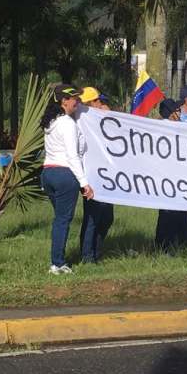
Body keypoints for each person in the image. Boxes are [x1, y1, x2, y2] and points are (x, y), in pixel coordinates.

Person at [40, 84, 93, 274]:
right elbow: (72, 156)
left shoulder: (51, 122)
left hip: (48, 174)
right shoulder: (67, 123)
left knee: (59, 219)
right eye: (75, 99)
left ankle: (57, 260)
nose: (77, 103)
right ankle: (58, 263)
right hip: (64, 174)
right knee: (62, 220)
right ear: (64, 101)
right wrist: (84, 183)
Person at [78, 86, 114, 263]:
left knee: (107, 218)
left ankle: (96, 251)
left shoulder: (101, 117)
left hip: (107, 175)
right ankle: (87, 256)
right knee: (93, 217)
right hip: (91, 176)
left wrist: (107, 115)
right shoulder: (81, 120)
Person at [154, 96, 187, 251]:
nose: (179, 112)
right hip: (167, 179)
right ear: (170, 113)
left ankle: (181, 243)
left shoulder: (179, 128)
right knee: (168, 214)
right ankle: (167, 246)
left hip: (179, 178)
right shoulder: (163, 130)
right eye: (177, 110)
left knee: (180, 212)